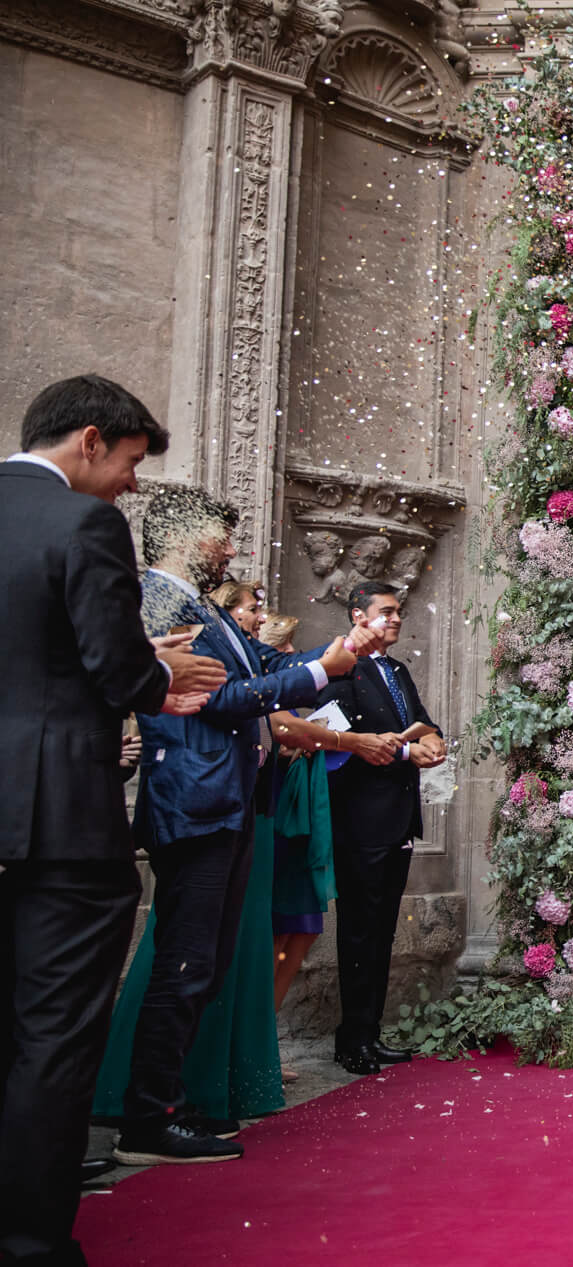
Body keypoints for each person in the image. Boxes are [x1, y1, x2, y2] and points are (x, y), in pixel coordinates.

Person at [1, 375, 226, 1266]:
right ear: (89, 440)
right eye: (132, 463)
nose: (133, 486)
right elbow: (111, 667)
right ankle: (28, 1241)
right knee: (51, 1036)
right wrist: (156, 672)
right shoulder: (84, 524)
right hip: (58, 816)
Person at [115, 489, 354, 1165]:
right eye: (222, 536)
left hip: (222, 801)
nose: (230, 549)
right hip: (193, 802)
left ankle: (168, 1102)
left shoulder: (198, 607)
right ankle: (147, 1117)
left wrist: (324, 658)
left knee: (206, 963)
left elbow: (256, 669)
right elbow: (215, 698)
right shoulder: (158, 599)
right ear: (188, 535)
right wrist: (317, 671)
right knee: (185, 962)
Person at [319, 581, 446, 1076]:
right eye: (386, 612)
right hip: (359, 816)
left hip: (399, 816)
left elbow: (422, 722)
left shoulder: (397, 670)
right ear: (358, 616)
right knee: (359, 929)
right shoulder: (340, 667)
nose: (396, 620)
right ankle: (352, 1040)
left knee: (383, 929)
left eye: (399, 613)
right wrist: (401, 751)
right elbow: (332, 734)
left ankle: (370, 1033)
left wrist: (433, 743)